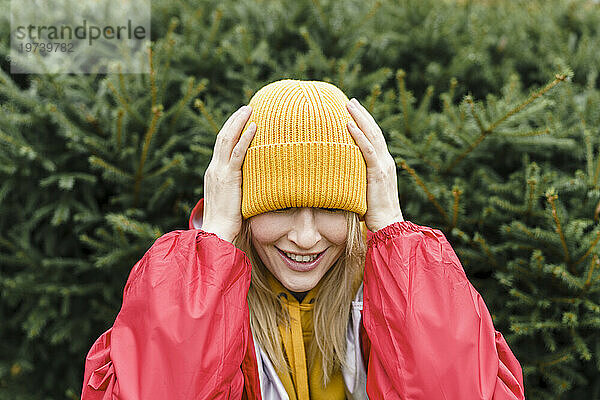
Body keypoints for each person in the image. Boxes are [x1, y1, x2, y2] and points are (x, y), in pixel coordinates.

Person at [80, 79, 526, 400]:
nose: (307, 237)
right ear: (241, 205)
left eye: (331, 208)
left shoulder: (391, 294)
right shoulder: (195, 299)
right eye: (280, 207)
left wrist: (394, 228)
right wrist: (212, 241)